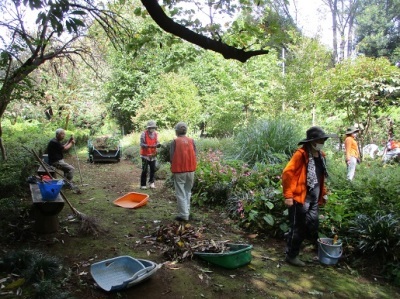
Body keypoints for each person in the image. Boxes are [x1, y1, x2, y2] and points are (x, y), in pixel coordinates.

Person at [282, 126, 335, 267]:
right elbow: (287, 173)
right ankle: (291, 255)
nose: (322, 141)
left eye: (323, 139)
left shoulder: (321, 156)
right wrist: (288, 195)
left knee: (312, 224)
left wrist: (323, 194)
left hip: (313, 198)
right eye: (320, 139)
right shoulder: (301, 154)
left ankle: (290, 238)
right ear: (312, 141)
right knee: (297, 227)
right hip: (300, 198)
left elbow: (319, 176)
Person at [170, 122, 197, 222]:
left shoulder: (175, 142)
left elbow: (171, 157)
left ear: (177, 131)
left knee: (180, 192)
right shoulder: (191, 141)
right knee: (188, 192)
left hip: (179, 170)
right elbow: (195, 154)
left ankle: (184, 215)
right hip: (191, 170)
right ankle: (187, 211)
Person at [140, 120, 160, 189]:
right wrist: (147, 146)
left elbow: (157, 142)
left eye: (153, 127)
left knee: (152, 170)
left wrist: (158, 144)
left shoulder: (156, 134)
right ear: (148, 128)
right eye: (151, 127)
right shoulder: (143, 134)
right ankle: (143, 184)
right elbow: (141, 144)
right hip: (145, 155)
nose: (152, 129)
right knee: (144, 170)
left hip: (153, 155)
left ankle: (152, 183)